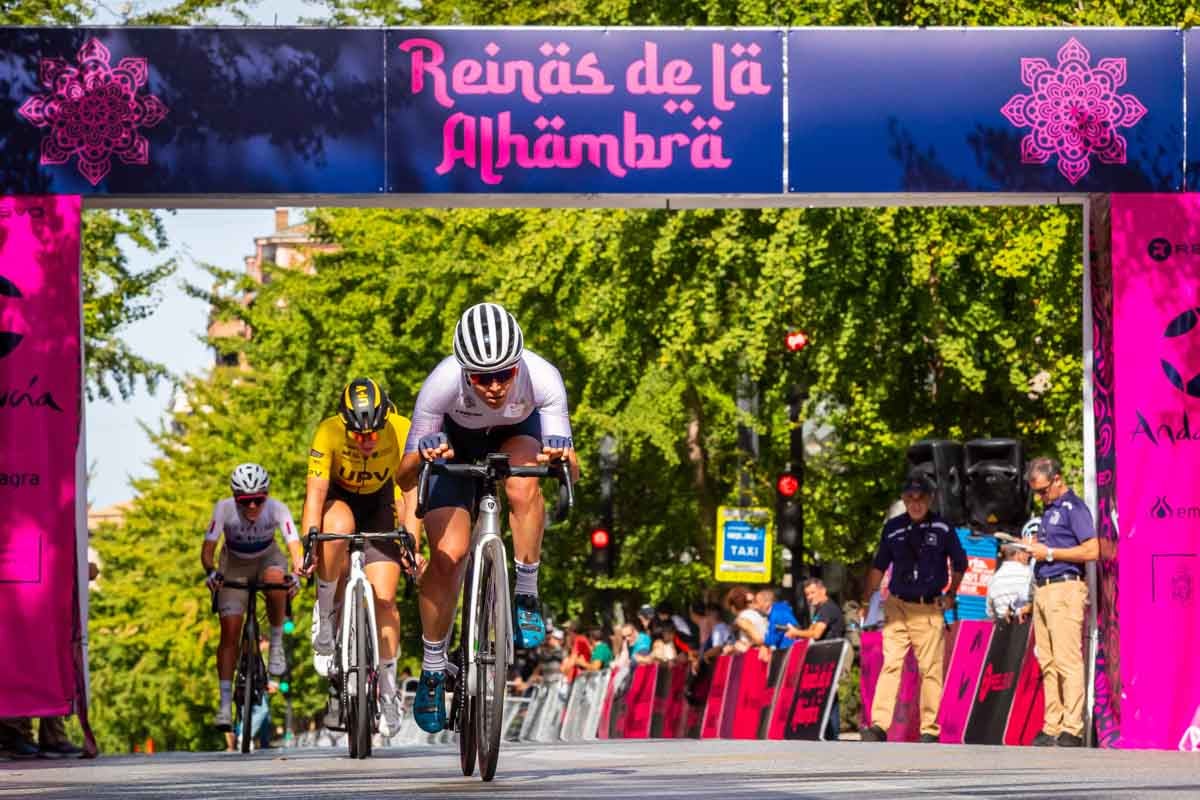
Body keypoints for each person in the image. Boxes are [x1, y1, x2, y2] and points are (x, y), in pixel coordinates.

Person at [398, 302, 580, 733]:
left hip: (518, 434)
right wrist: (426, 454)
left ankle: (526, 591)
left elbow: (571, 470)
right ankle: (433, 667)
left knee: (522, 483)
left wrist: (560, 459)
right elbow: (404, 474)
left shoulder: (543, 376)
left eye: (505, 374)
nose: (496, 386)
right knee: (448, 556)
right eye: (482, 377)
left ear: (519, 364)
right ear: (464, 372)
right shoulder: (440, 384)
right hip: (455, 445)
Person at [301, 377, 414, 738]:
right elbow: (315, 494)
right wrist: (308, 543)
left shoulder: (400, 430)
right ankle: (325, 615)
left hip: (380, 504)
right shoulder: (329, 432)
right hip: (340, 499)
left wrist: (412, 542)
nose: (366, 442)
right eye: (358, 435)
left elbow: (408, 495)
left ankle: (388, 689)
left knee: (386, 599)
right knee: (335, 526)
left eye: (372, 434)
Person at [859, 474, 966, 744]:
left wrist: (951, 594)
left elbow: (960, 562)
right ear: (904, 500)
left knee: (930, 669)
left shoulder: (942, 527)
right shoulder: (893, 528)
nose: (915, 504)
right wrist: (865, 600)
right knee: (890, 664)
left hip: (927, 607)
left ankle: (929, 728)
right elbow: (878, 567)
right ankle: (879, 725)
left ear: (929, 500)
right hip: (897, 606)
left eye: (920, 499)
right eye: (910, 499)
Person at [202, 462, 302, 731]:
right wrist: (211, 572)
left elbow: (293, 544)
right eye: (245, 502)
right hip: (233, 562)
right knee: (230, 631)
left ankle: (277, 644)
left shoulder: (277, 509)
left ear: (266, 495)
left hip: (267, 557)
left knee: (275, 580)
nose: (253, 508)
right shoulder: (223, 509)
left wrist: (296, 573)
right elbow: (208, 548)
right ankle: (224, 705)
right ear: (235, 498)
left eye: (258, 500)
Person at [1024, 457, 1098, 748]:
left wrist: (1051, 553)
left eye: (1043, 490)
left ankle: (1073, 727)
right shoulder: (1049, 509)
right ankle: (1051, 724)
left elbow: (1092, 549)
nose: (1041, 497)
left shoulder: (1073, 507)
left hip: (1065, 588)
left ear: (1057, 479)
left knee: (1068, 660)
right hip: (1043, 589)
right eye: (1036, 493)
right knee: (1047, 662)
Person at [786, 578, 847, 740]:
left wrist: (795, 633)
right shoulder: (820, 610)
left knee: (830, 697)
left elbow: (816, 633)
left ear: (823, 591)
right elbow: (811, 630)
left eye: (812, 593)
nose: (809, 597)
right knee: (825, 697)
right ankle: (828, 735)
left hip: (831, 657)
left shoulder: (827, 609)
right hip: (824, 658)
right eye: (807, 595)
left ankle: (833, 736)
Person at [986, 543, 1034, 623]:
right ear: (1018, 555)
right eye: (1026, 552)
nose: (1028, 556)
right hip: (1025, 623)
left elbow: (990, 612)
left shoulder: (994, 578)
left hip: (1002, 627)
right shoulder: (1028, 573)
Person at [723, 585, 765, 654]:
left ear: (733, 606)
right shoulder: (753, 614)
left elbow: (759, 639)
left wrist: (743, 645)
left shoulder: (742, 619)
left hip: (755, 657)